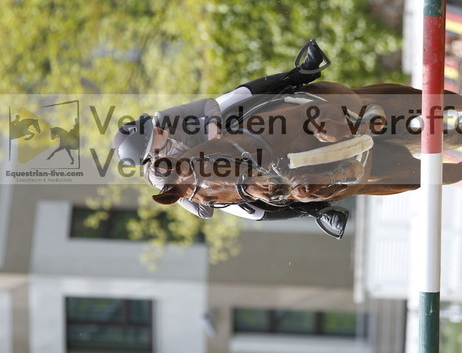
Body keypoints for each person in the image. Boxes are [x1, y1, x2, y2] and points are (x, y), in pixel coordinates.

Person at [113, 40, 349, 239]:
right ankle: (318, 210)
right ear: (149, 153)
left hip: (220, 130)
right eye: (151, 134)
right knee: (253, 211)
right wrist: (203, 190)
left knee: (238, 95)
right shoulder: (160, 178)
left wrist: (212, 128)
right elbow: (204, 212)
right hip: (224, 175)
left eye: (150, 126)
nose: (156, 128)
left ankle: (303, 73)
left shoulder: (164, 118)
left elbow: (206, 104)